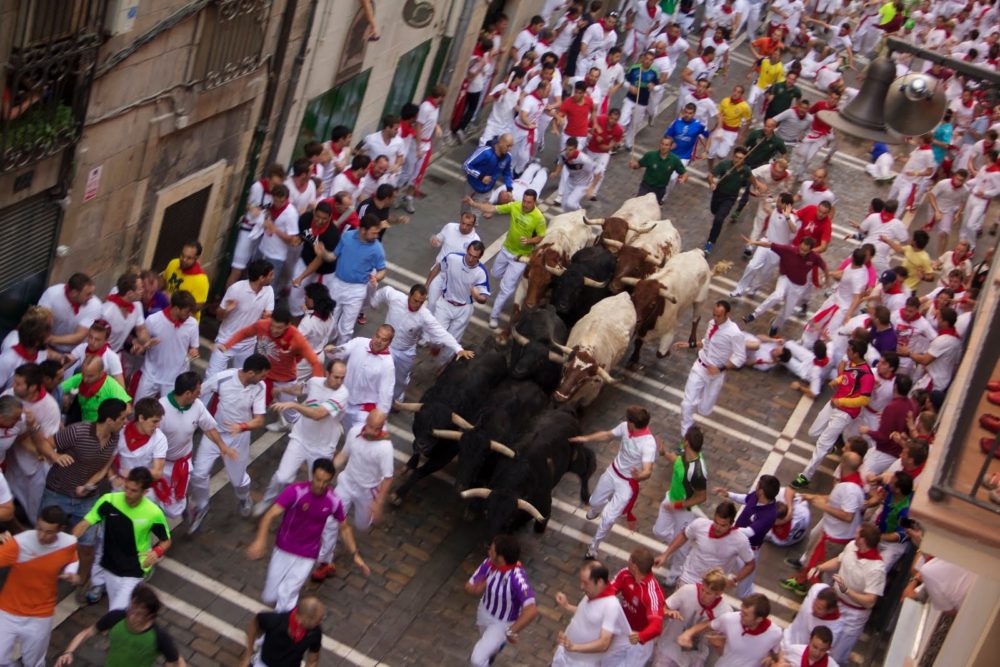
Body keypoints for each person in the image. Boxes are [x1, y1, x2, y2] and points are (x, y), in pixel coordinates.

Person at [247, 458, 369, 612]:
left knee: (288, 595)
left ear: (330, 481)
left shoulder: (333, 501)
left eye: (325, 481)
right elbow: (270, 515)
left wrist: (355, 554)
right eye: (318, 480)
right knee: (270, 596)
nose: (320, 485)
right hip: (284, 548)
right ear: (312, 475)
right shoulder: (295, 491)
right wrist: (260, 540)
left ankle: (276, 627)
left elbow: (344, 528)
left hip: (307, 554)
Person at [41, 398, 128, 596]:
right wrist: (55, 457)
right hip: (57, 494)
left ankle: (80, 582)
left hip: (87, 499)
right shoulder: (77, 431)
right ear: (109, 420)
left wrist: (89, 484)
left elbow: (105, 466)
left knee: (87, 547)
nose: (124, 422)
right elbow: (48, 443)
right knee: (47, 539)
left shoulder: (115, 437)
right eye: (121, 418)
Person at [187, 354, 270, 530]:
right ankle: (201, 507)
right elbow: (198, 392)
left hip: (238, 438)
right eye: (262, 375)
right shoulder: (222, 378)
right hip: (214, 434)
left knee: (238, 480)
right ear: (250, 373)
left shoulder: (260, 387)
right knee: (198, 474)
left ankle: (243, 497)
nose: (265, 379)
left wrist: (241, 427)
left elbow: (259, 420)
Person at [256, 359, 348, 516]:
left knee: (317, 485)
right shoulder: (315, 382)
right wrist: (282, 390)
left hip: (323, 448)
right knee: (281, 477)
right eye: (336, 377)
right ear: (327, 373)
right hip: (300, 438)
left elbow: (318, 414)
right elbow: (299, 390)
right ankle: (267, 501)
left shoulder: (342, 394)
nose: (339, 381)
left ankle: (308, 513)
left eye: (342, 378)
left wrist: (294, 405)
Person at [312, 409, 394, 581]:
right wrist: (327, 473)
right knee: (330, 523)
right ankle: (325, 562)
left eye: (376, 429)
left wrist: (378, 503)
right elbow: (343, 455)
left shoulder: (385, 448)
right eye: (369, 426)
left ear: (382, 427)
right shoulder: (355, 432)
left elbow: (387, 478)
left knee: (362, 525)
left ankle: (353, 526)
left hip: (368, 491)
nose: (371, 432)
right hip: (346, 484)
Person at [74, 467, 171, 611]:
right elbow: (85, 523)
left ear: (145, 492)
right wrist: (69, 541)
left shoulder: (153, 513)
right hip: (110, 566)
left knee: (116, 611)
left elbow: (166, 540)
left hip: (135, 568)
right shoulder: (109, 501)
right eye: (126, 488)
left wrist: (156, 552)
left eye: (133, 491)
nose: (128, 494)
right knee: (118, 611)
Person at [218, 306, 324, 429]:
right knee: (253, 406)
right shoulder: (262, 325)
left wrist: (319, 387)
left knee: (291, 414)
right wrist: (228, 345)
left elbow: (315, 362)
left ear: (288, 325)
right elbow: (245, 332)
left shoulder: (297, 338)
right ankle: (236, 427)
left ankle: (302, 431)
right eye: (272, 325)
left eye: (279, 328)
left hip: (285, 380)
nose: (274, 330)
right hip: (265, 377)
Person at [571, 406, 656, 559]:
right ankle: (596, 509)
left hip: (627, 484)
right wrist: (586, 438)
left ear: (632, 423)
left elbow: (648, 470)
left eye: (628, 420)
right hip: (612, 473)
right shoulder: (625, 427)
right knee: (593, 501)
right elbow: (607, 435)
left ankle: (593, 547)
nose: (625, 422)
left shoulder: (648, 443)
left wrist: (640, 476)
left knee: (608, 518)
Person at [0, 505, 79, 667]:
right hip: (8, 611)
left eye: (48, 532)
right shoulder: (19, 543)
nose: (42, 536)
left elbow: (73, 559)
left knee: (34, 662)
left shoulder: (69, 543)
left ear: (60, 530)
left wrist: (72, 573)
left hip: (40, 615)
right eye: (39, 529)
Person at [783, 451, 867, 597]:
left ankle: (816, 597)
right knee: (814, 560)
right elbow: (835, 498)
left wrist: (823, 506)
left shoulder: (850, 489)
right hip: (832, 534)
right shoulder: (850, 482)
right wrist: (814, 497)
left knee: (819, 570)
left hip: (836, 538)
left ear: (843, 464)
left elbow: (848, 516)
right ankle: (803, 583)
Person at [792, 341, 873, 488]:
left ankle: (806, 476)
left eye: (849, 350)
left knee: (822, 443)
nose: (847, 352)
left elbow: (864, 399)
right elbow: (847, 378)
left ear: (856, 353)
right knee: (813, 432)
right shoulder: (853, 364)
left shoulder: (867, 375)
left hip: (845, 413)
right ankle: (829, 448)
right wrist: (838, 380)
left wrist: (842, 401)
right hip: (834, 404)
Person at [151, 372, 231, 520]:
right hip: (160, 465)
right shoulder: (160, 409)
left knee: (173, 512)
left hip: (182, 465)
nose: (199, 395)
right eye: (197, 392)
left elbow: (209, 428)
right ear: (187, 393)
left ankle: (182, 502)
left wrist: (222, 446)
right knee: (151, 500)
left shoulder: (198, 406)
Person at [370, 284, 470, 401]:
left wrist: (458, 348)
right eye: (415, 300)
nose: (417, 305)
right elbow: (385, 290)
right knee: (379, 372)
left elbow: (440, 332)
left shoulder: (424, 315)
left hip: (406, 352)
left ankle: (396, 398)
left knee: (400, 380)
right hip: (387, 347)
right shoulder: (395, 297)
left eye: (421, 302)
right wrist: (374, 301)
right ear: (409, 296)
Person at [464, 189, 546, 330]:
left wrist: (530, 240)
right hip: (506, 250)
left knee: (506, 288)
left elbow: (541, 236)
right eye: (524, 201)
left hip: (520, 258)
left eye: (529, 202)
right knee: (495, 274)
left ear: (535, 202)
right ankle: (509, 280)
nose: (525, 205)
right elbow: (492, 208)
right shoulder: (515, 206)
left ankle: (494, 316)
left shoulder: (539, 218)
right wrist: (474, 204)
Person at [807, 524, 886, 663]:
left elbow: (870, 601)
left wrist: (847, 591)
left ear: (863, 540)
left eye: (857, 533)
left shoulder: (877, 569)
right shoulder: (851, 546)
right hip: (836, 605)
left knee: (837, 655)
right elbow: (838, 561)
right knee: (821, 644)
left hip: (854, 616)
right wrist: (819, 567)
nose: (854, 535)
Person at [55, 584, 184, 667]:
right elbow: (87, 632)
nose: (131, 616)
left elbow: (177, 660)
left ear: (150, 616)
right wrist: (68, 652)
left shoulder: (159, 637)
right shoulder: (116, 617)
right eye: (131, 608)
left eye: (139, 614)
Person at [3, 363, 64, 523]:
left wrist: (39, 447)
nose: (13, 386)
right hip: (9, 462)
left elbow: (48, 442)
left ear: (32, 388)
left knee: (33, 511)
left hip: (34, 468)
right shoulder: (9, 396)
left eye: (18, 383)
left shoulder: (50, 407)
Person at [464, 534, 538, 666]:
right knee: (485, 645)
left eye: (492, 551)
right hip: (484, 611)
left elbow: (531, 610)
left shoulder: (517, 578)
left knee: (477, 659)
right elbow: (469, 585)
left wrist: (511, 631)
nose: (488, 552)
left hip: (502, 624)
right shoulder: (489, 563)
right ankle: (494, 650)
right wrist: (474, 589)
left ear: (501, 558)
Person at [676, 301, 746, 441]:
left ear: (727, 314)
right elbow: (707, 341)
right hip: (700, 366)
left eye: (718, 316)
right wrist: (691, 345)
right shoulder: (711, 323)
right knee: (687, 403)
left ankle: (697, 414)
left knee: (704, 408)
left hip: (716, 374)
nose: (715, 318)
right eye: (714, 314)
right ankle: (686, 437)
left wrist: (720, 368)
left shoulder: (734, 333)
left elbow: (740, 356)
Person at [652, 425, 708, 586]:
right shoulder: (684, 452)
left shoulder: (698, 471)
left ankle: (675, 574)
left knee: (681, 548)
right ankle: (684, 542)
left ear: (687, 442)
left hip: (683, 509)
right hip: (671, 498)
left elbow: (702, 497)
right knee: (658, 531)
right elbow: (676, 461)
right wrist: (664, 453)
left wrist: (679, 505)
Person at [654, 500, 756, 588]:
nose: (718, 527)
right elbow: (684, 535)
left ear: (732, 523)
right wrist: (665, 555)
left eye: (723, 525)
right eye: (716, 522)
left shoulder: (740, 540)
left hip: (713, 587)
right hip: (689, 578)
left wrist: (735, 580)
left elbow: (750, 564)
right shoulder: (700, 524)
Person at [743, 236, 828, 337]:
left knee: (786, 313)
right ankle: (754, 314)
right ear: (799, 245)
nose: (802, 251)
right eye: (801, 248)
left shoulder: (815, 257)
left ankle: (775, 325)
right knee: (778, 295)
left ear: (810, 250)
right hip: (785, 279)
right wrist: (754, 242)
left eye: (805, 251)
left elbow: (824, 266)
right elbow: (769, 245)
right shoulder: (789, 249)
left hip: (798, 287)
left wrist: (827, 279)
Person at [552, 560, 631, 666]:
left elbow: (604, 643)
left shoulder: (611, 605)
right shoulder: (591, 594)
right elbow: (587, 615)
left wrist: (574, 647)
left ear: (599, 582)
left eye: (585, 583)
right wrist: (567, 606)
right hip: (567, 656)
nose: (581, 587)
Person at [206, 259, 275, 378]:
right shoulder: (236, 289)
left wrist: (267, 318)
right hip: (225, 340)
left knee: (243, 380)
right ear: (261, 278)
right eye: (270, 275)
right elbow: (219, 316)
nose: (273, 277)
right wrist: (226, 311)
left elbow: (268, 314)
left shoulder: (269, 291)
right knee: (212, 377)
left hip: (248, 344)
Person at [327, 215, 387, 344]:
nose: (376, 236)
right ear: (362, 230)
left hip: (356, 290)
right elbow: (334, 255)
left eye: (377, 233)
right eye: (374, 233)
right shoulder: (347, 236)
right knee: (329, 320)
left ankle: (338, 358)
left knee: (347, 328)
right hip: (337, 284)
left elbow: (382, 270)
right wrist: (323, 254)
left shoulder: (377, 248)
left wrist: (376, 277)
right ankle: (321, 347)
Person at [718, 475, 781, 597]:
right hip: (734, 541)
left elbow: (750, 532)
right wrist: (729, 495)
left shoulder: (770, 514)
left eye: (758, 485)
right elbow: (746, 498)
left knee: (743, 592)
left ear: (761, 491)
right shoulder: (756, 496)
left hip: (748, 551)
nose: (756, 486)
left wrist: (728, 529)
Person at [654, 568, 732, 667]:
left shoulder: (725, 611)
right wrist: (668, 613)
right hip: (670, 647)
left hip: (696, 655)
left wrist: (716, 640)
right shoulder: (687, 590)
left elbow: (722, 641)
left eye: (708, 593)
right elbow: (661, 610)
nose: (703, 595)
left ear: (718, 594)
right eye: (702, 589)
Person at [678, 594, 783, 667]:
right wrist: (688, 633)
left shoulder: (775, 634)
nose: (740, 615)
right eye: (741, 611)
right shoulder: (729, 619)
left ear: (759, 619)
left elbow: (778, 653)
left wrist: (775, 661)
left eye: (745, 614)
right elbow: (708, 625)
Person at [330, 324, 395, 433]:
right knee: (328, 425)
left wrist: (380, 418)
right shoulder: (359, 342)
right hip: (343, 397)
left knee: (355, 436)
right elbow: (342, 350)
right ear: (374, 335)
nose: (378, 341)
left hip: (363, 409)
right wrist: (332, 350)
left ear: (389, 343)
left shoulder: (388, 365)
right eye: (377, 336)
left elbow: (386, 395)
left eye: (384, 340)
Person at [229, 164, 286, 288]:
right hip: (248, 231)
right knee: (237, 268)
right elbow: (250, 210)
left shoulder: (276, 194)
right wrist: (262, 218)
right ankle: (224, 300)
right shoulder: (257, 188)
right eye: (273, 183)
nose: (274, 187)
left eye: (277, 185)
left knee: (252, 270)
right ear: (268, 179)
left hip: (261, 233)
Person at [135, 290, 200, 399]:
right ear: (176, 308)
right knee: (139, 408)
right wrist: (145, 345)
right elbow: (141, 345)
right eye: (187, 311)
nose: (190, 315)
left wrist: (193, 353)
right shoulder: (153, 320)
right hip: (150, 375)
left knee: (168, 414)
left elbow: (194, 349)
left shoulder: (192, 324)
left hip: (175, 379)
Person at [607, 547, 665, 666]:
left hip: (639, 640)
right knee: (607, 660)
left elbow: (656, 626)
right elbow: (609, 591)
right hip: (623, 629)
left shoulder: (652, 593)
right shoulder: (625, 574)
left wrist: (640, 636)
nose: (627, 561)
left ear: (634, 566)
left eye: (630, 559)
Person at [288, 198, 343, 318]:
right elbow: (302, 235)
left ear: (330, 218)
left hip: (324, 271)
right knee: (295, 292)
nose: (320, 221)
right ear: (314, 213)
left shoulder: (332, 235)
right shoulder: (305, 219)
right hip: (305, 259)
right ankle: (295, 318)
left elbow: (318, 261)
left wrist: (301, 277)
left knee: (319, 300)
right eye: (318, 217)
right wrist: (297, 240)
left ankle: (311, 321)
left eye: (324, 219)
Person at [432, 241, 491, 343]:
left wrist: (477, 297)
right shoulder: (452, 258)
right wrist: (427, 285)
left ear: (480, 257)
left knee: (452, 343)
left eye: (475, 257)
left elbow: (484, 298)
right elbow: (438, 267)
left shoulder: (482, 272)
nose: (471, 259)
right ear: (467, 250)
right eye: (470, 254)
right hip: (445, 303)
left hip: (464, 309)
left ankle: (447, 359)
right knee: (436, 339)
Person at [243, 596, 324, 667]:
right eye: (317, 621)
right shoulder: (275, 621)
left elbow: (313, 660)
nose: (319, 623)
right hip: (265, 663)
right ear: (303, 620)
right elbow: (254, 625)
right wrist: (248, 655)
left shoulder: (315, 633)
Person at [705, 146, 758, 254]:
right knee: (714, 211)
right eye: (736, 157)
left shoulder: (746, 170)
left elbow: (753, 180)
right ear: (733, 157)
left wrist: (756, 188)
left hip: (730, 198)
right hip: (718, 194)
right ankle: (717, 218)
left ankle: (710, 242)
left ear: (744, 159)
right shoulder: (725, 165)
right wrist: (711, 183)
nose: (738, 160)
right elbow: (710, 175)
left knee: (719, 219)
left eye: (741, 158)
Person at [425, 213, 481, 310]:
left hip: (455, 279)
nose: (464, 227)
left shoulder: (475, 240)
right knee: (432, 303)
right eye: (462, 223)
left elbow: (473, 263)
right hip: (439, 272)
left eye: (468, 225)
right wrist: (434, 241)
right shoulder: (449, 227)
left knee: (445, 308)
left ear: (473, 225)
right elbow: (437, 239)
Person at [38, 272, 103, 353]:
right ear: (74, 293)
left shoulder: (95, 306)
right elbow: (40, 322)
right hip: (47, 346)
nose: (91, 297)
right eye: (88, 294)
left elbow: (80, 336)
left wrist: (50, 339)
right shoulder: (52, 294)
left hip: (75, 352)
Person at [902, 306, 962, 392]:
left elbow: (925, 360)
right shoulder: (956, 339)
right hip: (942, 379)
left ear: (945, 322)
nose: (936, 320)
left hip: (933, 381)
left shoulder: (942, 340)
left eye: (938, 318)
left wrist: (908, 353)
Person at [60, 356, 132, 424]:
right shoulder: (79, 378)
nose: (85, 379)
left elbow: (128, 409)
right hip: (83, 422)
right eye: (84, 374)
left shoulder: (111, 385)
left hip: (102, 425)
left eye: (90, 376)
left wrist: (108, 413)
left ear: (101, 373)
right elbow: (57, 389)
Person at [63, 318, 126, 386]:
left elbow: (121, 387)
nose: (92, 342)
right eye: (90, 337)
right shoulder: (82, 347)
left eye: (97, 340)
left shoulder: (112, 357)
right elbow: (65, 364)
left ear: (106, 341)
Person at [628, 135, 688, 205]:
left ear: (671, 147)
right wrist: (634, 165)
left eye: (666, 145)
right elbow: (638, 165)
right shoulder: (650, 155)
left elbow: (684, 173)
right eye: (662, 144)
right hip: (646, 187)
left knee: (653, 209)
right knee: (639, 205)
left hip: (660, 190)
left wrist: (683, 179)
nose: (663, 147)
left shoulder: (674, 160)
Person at [619, 50, 660, 151]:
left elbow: (659, 86)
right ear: (643, 58)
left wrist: (653, 87)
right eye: (646, 59)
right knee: (622, 120)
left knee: (635, 124)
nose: (647, 61)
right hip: (630, 99)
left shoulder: (655, 72)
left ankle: (628, 143)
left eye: (651, 60)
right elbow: (624, 81)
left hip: (642, 102)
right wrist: (630, 87)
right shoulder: (634, 68)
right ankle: (617, 140)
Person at [463, 134, 514, 211]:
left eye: (511, 146)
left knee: (474, 217)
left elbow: (507, 173)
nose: (510, 149)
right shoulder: (485, 152)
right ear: (500, 143)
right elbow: (466, 165)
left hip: (486, 192)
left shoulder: (508, 157)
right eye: (508, 146)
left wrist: (509, 189)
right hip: (471, 187)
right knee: (464, 213)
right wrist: (481, 177)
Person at [161, 241, 210, 319]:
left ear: (196, 258)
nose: (184, 260)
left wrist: (174, 302)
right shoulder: (173, 263)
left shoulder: (201, 280)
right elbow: (163, 282)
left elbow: (197, 307)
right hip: (167, 312)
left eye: (189, 258)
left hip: (184, 321)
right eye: (182, 255)